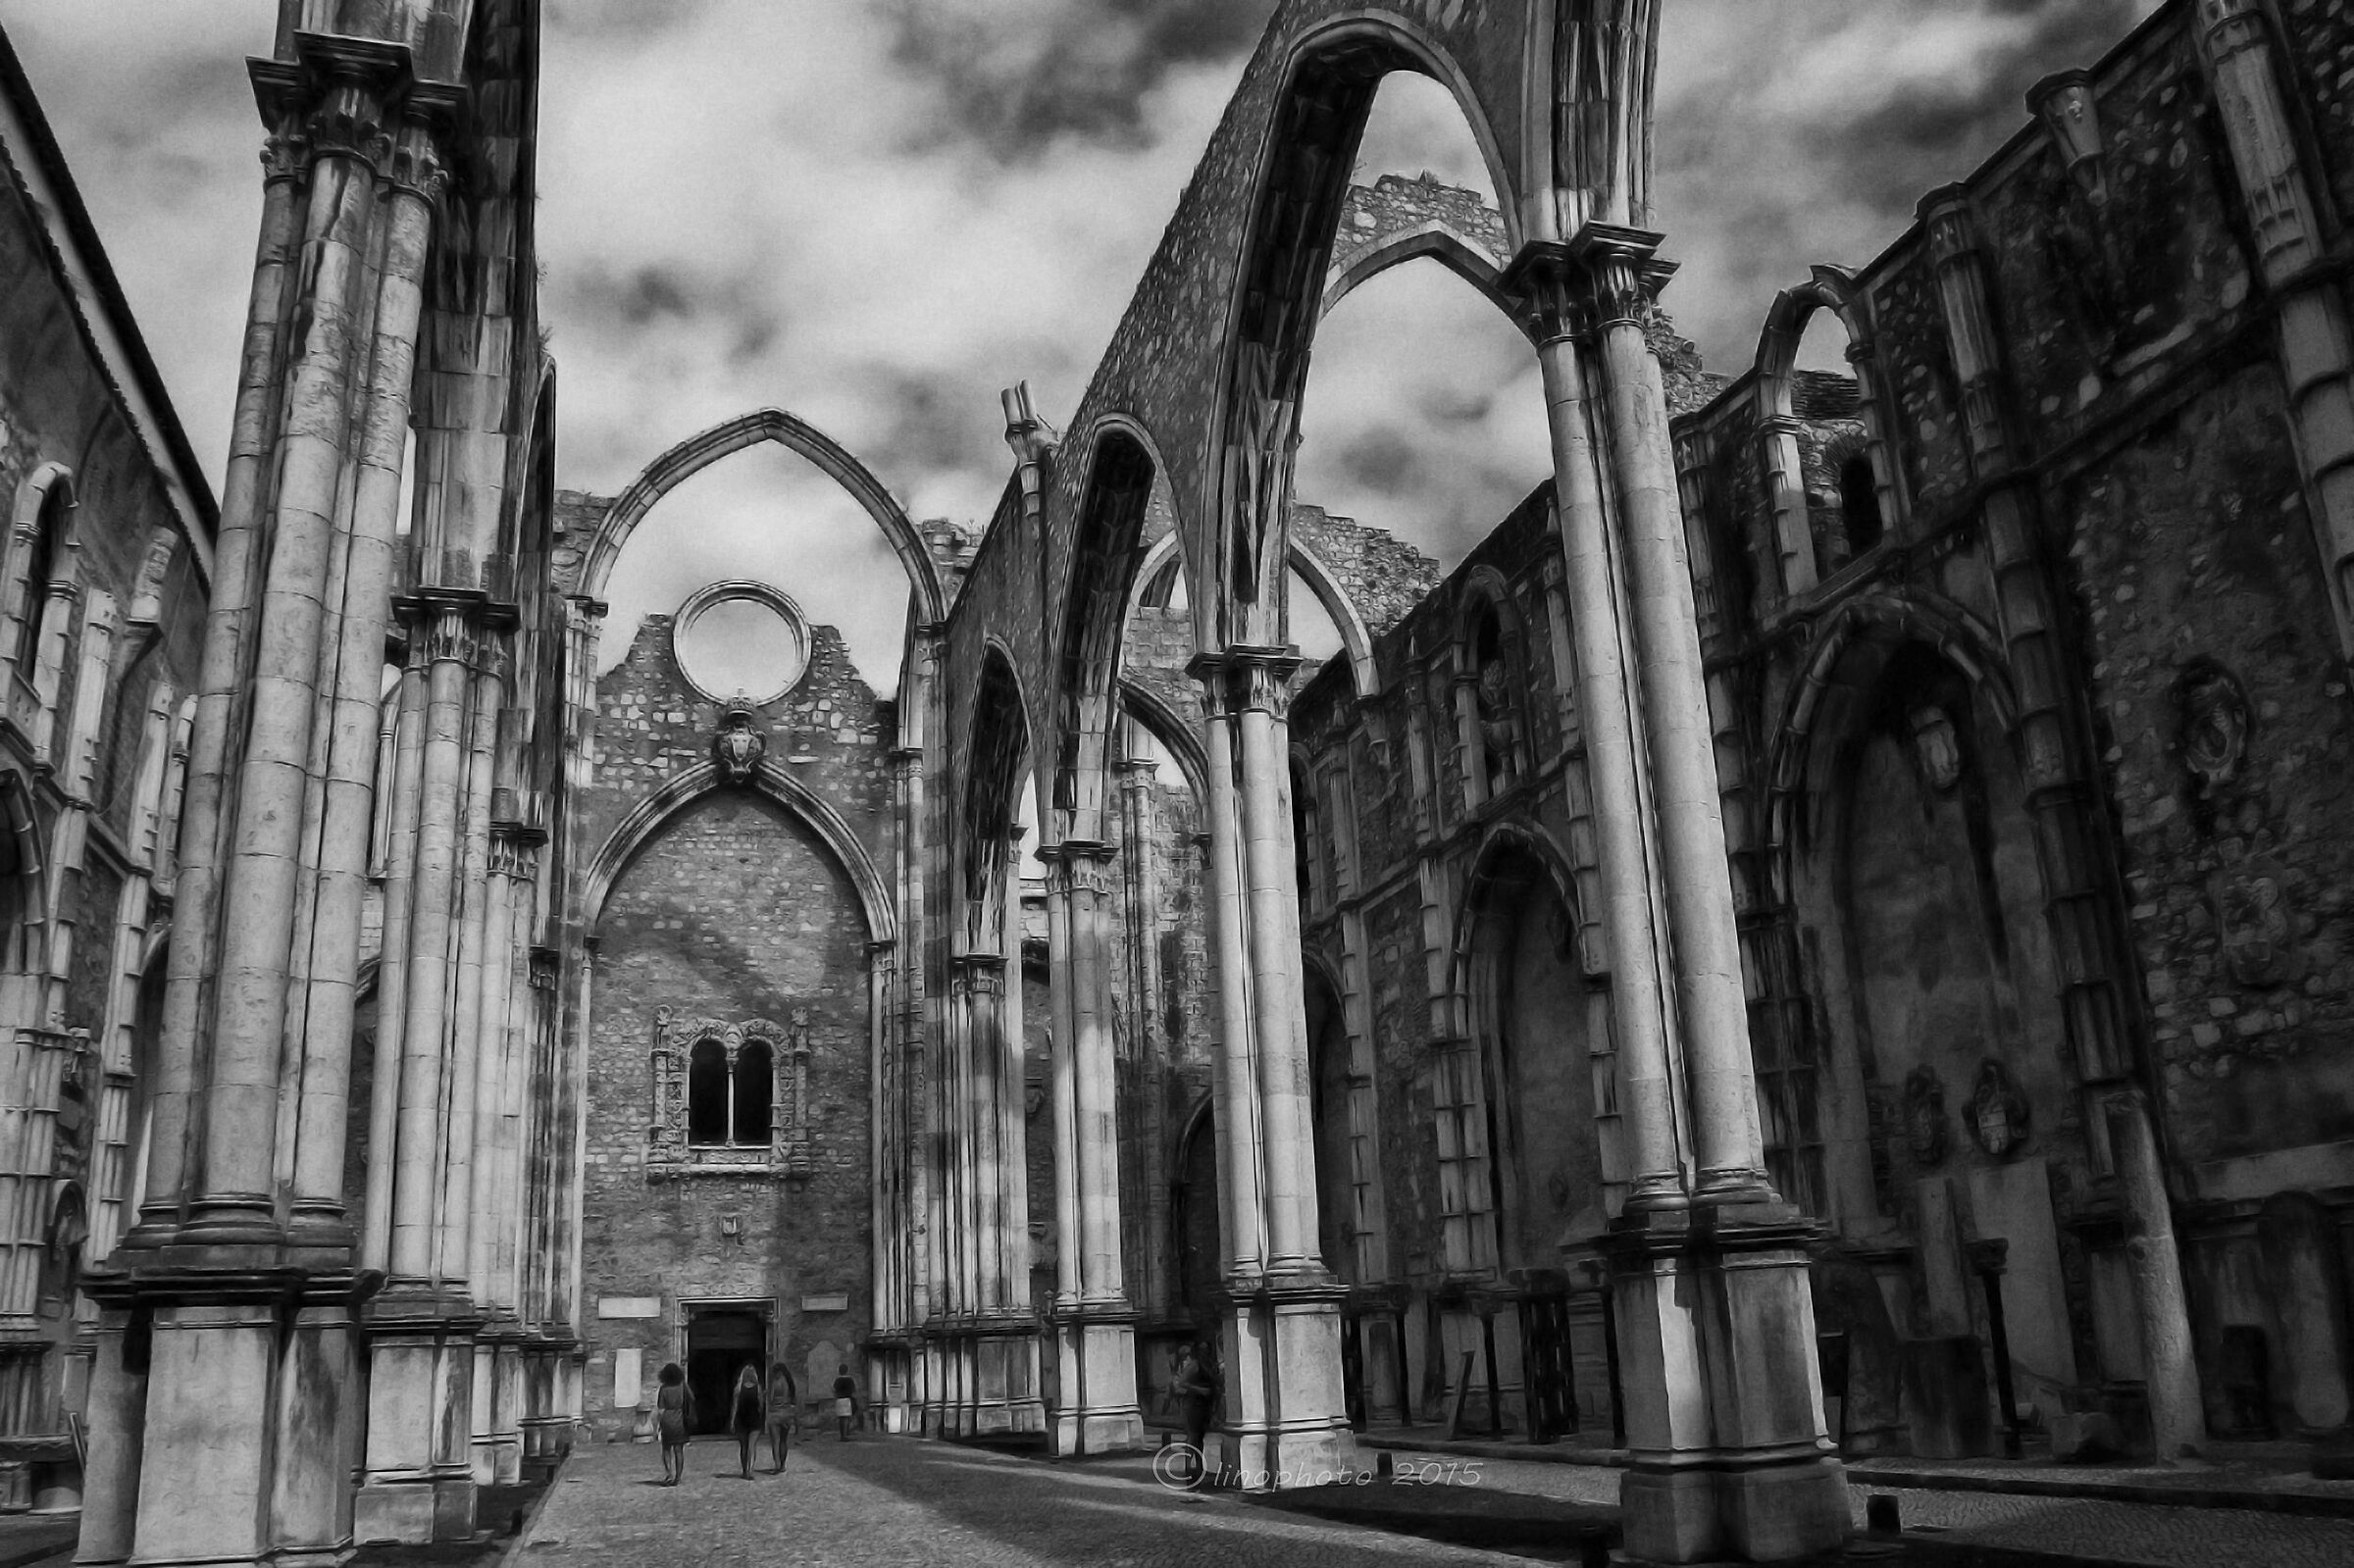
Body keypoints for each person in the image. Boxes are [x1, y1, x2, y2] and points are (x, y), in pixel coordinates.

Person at [1172, 1341, 1219, 1487]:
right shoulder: (1194, 1365)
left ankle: (1199, 1468)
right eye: (1202, 1349)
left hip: (1205, 1404)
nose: (1205, 1352)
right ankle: (1189, 1470)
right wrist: (1200, 1390)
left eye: (1207, 1349)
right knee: (1192, 1436)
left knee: (1200, 1438)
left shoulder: (1209, 1365)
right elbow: (1182, 1382)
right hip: (1193, 1404)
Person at [653, 1362, 692, 1486]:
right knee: (678, 1450)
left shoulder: (664, 1389)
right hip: (680, 1420)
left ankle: (669, 1473)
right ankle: (678, 1477)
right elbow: (692, 1398)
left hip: (667, 1420)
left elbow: (660, 1409)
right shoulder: (682, 1386)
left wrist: (657, 1426)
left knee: (666, 1448)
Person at [728, 1365, 766, 1480]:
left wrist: (732, 1421)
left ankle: (745, 1470)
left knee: (743, 1447)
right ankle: (750, 1470)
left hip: (741, 1419)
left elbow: (734, 1407)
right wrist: (760, 1416)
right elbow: (761, 1406)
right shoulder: (758, 1389)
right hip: (754, 1419)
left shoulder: (738, 1389)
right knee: (752, 1446)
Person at [764, 1361, 799, 1474]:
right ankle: (783, 1465)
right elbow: (793, 1399)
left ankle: (777, 1465)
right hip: (787, 1413)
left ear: (777, 1372)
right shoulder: (789, 1382)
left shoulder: (776, 1382)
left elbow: (771, 1398)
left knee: (775, 1441)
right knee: (783, 1441)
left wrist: (766, 1395)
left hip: (775, 1413)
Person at [831, 1362, 858, 1441]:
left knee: (841, 1418)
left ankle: (842, 1434)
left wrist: (835, 1396)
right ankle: (845, 1434)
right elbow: (854, 1390)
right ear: (847, 1370)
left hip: (839, 1399)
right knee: (846, 1417)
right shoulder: (850, 1380)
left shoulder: (837, 1380)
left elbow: (833, 1389)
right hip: (847, 1399)